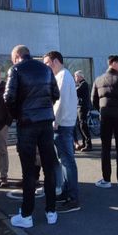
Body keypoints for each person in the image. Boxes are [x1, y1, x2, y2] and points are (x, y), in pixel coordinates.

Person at [4, 45, 60, 227]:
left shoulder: (16, 69)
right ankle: (51, 210)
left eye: (13, 58)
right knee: (49, 166)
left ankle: (27, 214)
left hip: (27, 123)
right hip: (45, 122)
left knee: (28, 170)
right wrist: (44, 107)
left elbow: (8, 97)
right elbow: (55, 94)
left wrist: (17, 114)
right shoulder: (46, 69)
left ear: (17, 56)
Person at [43, 51, 81, 213]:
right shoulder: (62, 76)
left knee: (67, 161)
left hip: (62, 125)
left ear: (55, 61)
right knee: (64, 161)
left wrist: (55, 121)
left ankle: (73, 198)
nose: (46, 66)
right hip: (64, 124)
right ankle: (67, 193)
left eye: (47, 63)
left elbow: (60, 101)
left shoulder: (63, 76)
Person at [91, 55, 118, 188]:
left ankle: (106, 180)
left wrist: (102, 110)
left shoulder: (98, 79)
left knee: (105, 148)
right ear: (114, 63)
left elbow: (94, 100)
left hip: (105, 116)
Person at [74, 71, 92, 151]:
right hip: (79, 107)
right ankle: (84, 143)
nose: (75, 78)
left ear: (80, 76)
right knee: (80, 125)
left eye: (76, 76)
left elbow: (76, 91)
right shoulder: (80, 84)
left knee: (83, 125)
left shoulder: (84, 84)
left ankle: (88, 144)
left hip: (82, 107)